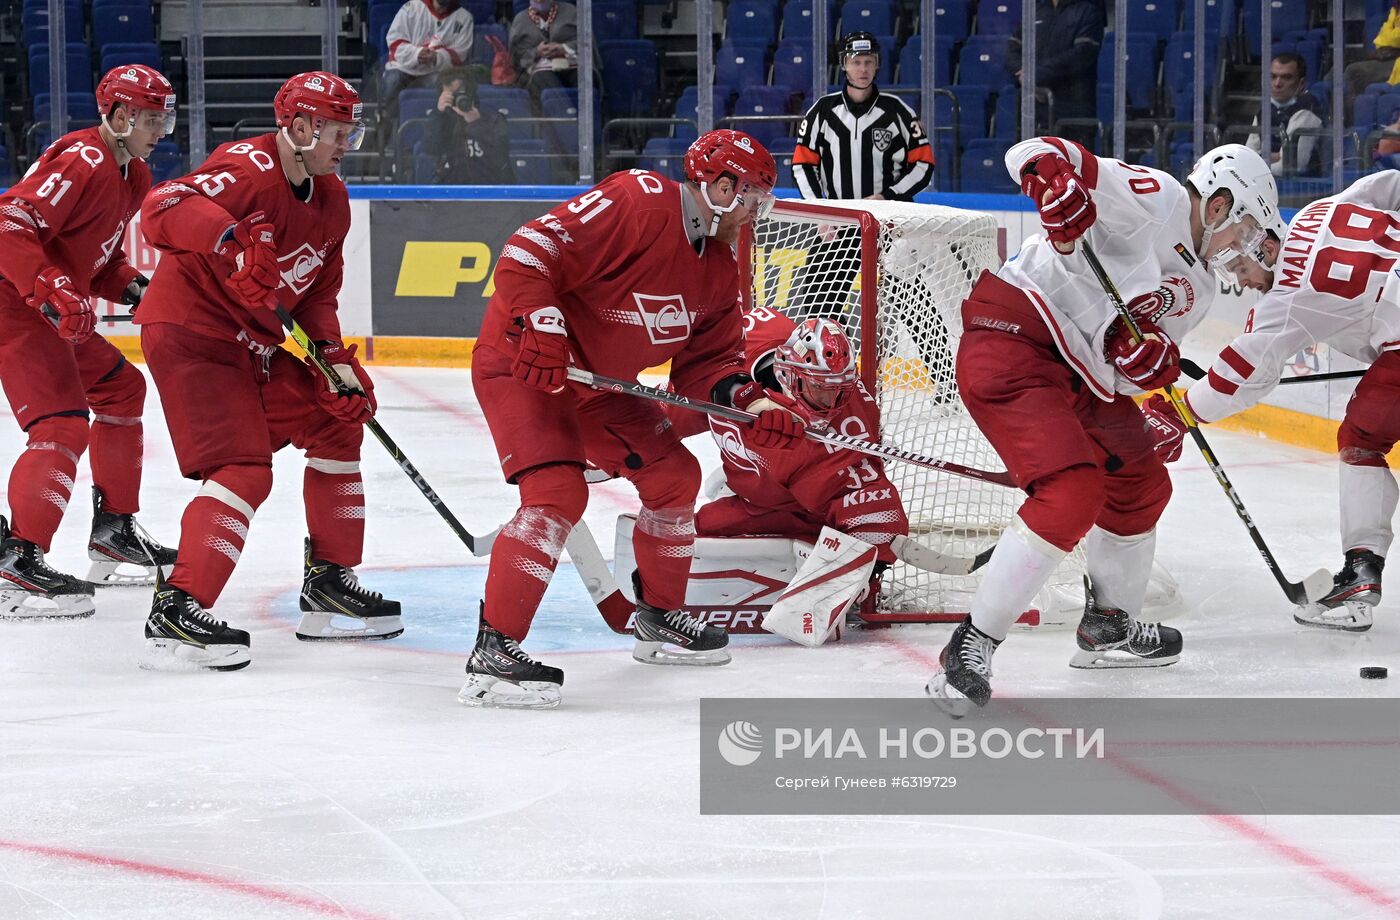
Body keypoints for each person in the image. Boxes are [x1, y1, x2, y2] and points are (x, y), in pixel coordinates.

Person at [926, 140, 1283, 709]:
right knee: (1073, 491)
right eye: (1241, 229)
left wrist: (1146, 363)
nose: (1240, 246)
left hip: (1080, 375)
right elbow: (1034, 152)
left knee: (1141, 481)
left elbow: (1129, 374)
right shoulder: (1160, 197)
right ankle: (970, 646)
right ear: (1217, 205)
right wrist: (1054, 183)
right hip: (1017, 335)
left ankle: (1108, 625)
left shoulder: (1205, 290)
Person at [465, 129, 800, 710]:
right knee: (556, 495)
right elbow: (527, 250)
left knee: (675, 478)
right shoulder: (639, 200)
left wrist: (753, 402)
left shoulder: (720, 268)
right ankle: (493, 651)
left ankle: (659, 619)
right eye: (750, 198)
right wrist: (542, 322)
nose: (753, 213)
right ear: (719, 187)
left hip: (599, 388)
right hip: (526, 364)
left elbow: (708, 369)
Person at [136, 71, 401, 672]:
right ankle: (178, 607)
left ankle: (329, 582)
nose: (345, 144)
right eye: (337, 132)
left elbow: (314, 298)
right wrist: (229, 237)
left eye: (349, 133)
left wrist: (331, 359)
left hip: (255, 343)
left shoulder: (332, 198)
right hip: (192, 333)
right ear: (300, 126)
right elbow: (162, 207)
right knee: (243, 470)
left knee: (337, 423)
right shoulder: (247, 166)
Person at [1143, 170, 1400, 633]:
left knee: (1362, 442)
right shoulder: (1320, 211)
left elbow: (1243, 373)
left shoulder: (1288, 299)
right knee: (1364, 429)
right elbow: (1392, 185)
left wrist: (1178, 414)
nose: (1242, 283)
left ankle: (1362, 570)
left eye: (1240, 269)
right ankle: (1361, 570)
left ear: (1260, 241)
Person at [0, 64, 181, 619]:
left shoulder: (135, 174)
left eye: (164, 118)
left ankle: (113, 532)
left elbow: (92, 256)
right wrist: (52, 286)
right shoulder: (84, 157)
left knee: (123, 390)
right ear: (121, 116)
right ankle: (17, 565)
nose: (160, 128)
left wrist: (134, 288)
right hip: (15, 300)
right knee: (60, 424)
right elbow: (9, 222)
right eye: (151, 118)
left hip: (47, 307)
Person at [694, 316, 909, 566]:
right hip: (753, 492)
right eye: (820, 390)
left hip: (804, 509)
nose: (832, 403)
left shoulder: (853, 422)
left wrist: (872, 548)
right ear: (789, 376)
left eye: (840, 392)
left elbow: (870, 500)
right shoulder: (751, 339)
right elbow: (691, 380)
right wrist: (734, 393)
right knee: (699, 533)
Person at [792, 32, 933, 201]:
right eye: (856, 62)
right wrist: (819, 211)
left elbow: (924, 163)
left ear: (877, 64)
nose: (863, 69)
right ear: (844, 64)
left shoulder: (898, 111)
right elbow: (802, 164)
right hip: (839, 222)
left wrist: (887, 196)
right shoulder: (822, 111)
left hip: (891, 220)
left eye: (869, 62)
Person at [1009, 0, 1105, 131]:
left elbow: (1081, 55)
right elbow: (1013, 49)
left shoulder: (1088, 12)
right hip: (1034, 109)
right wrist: (1026, 77)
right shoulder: (1035, 10)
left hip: (1072, 111)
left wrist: (1036, 76)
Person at [381, 0, 475, 130]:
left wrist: (437, 57)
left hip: (435, 71)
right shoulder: (411, 8)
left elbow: (459, 55)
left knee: (445, 85)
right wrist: (417, 54)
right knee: (393, 79)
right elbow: (395, 42)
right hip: (403, 67)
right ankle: (387, 126)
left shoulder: (464, 17)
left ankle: (434, 129)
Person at [425, 69, 515, 185]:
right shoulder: (442, 121)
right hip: (452, 190)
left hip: (489, 189)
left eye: (459, 93)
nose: (456, 98)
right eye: (451, 95)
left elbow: (500, 156)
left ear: (470, 92)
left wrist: (477, 124)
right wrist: (438, 115)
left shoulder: (494, 119)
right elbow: (430, 150)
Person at [1247, 52, 1325, 178]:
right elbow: (1247, 156)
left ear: (1301, 83)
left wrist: (1260, 160)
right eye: (1273, 76)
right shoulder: (1265, 109)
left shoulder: (1307, 110)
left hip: (1303, 189)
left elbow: (1291, 166)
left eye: (1286, 77)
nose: (1277, 84)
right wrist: (1275, 156)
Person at [508, 0, 586, 108]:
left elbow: (586, 44)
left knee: (585, 77)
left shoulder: (571, 12)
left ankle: (584, 120)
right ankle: (566, 118)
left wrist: (562, 48)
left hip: (572, 65)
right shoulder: (520, 20)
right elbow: (516, 58)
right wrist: (537, 52)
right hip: (538, 73)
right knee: (543, 77)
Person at [1341, 0, 1400, 119]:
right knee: (1334, 72)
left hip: (1396, 61)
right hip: (1387, 55)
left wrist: (1389, 38)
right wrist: (1389, 39)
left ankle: (1351, 122)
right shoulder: (1395, 9)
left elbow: (1395, 38)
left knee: (1352, 71)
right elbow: (1381, 38)